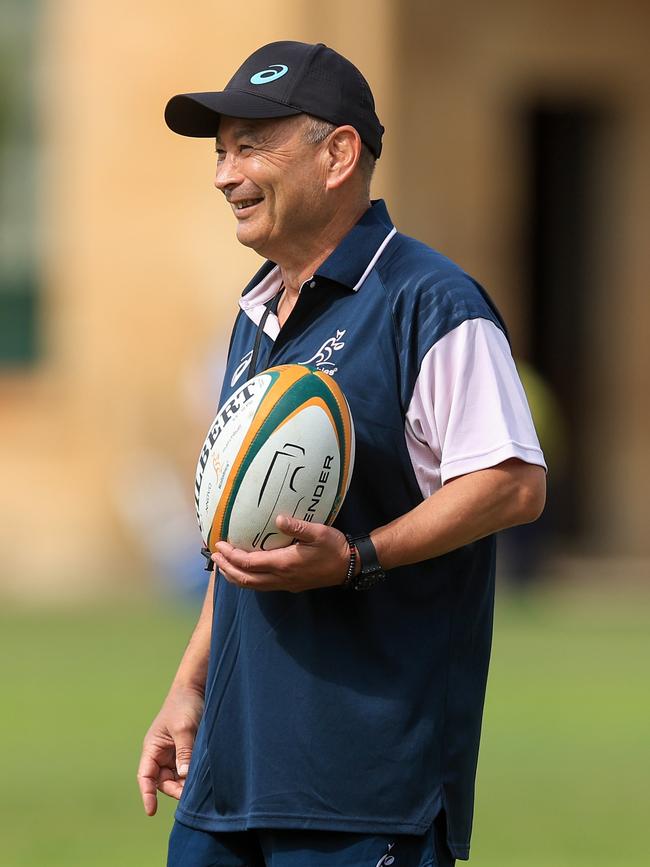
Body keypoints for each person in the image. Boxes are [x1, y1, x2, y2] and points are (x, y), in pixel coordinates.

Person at [138, 41, 547, 867]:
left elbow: (511, 484)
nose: (225, 174)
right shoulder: (255, 317)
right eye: (221, 151)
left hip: (363, 789)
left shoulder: (431, 302)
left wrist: (358, 557)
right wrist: (190, 683)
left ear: (338, 154)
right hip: (229, 775)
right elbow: (239, 535)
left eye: (250, 145)